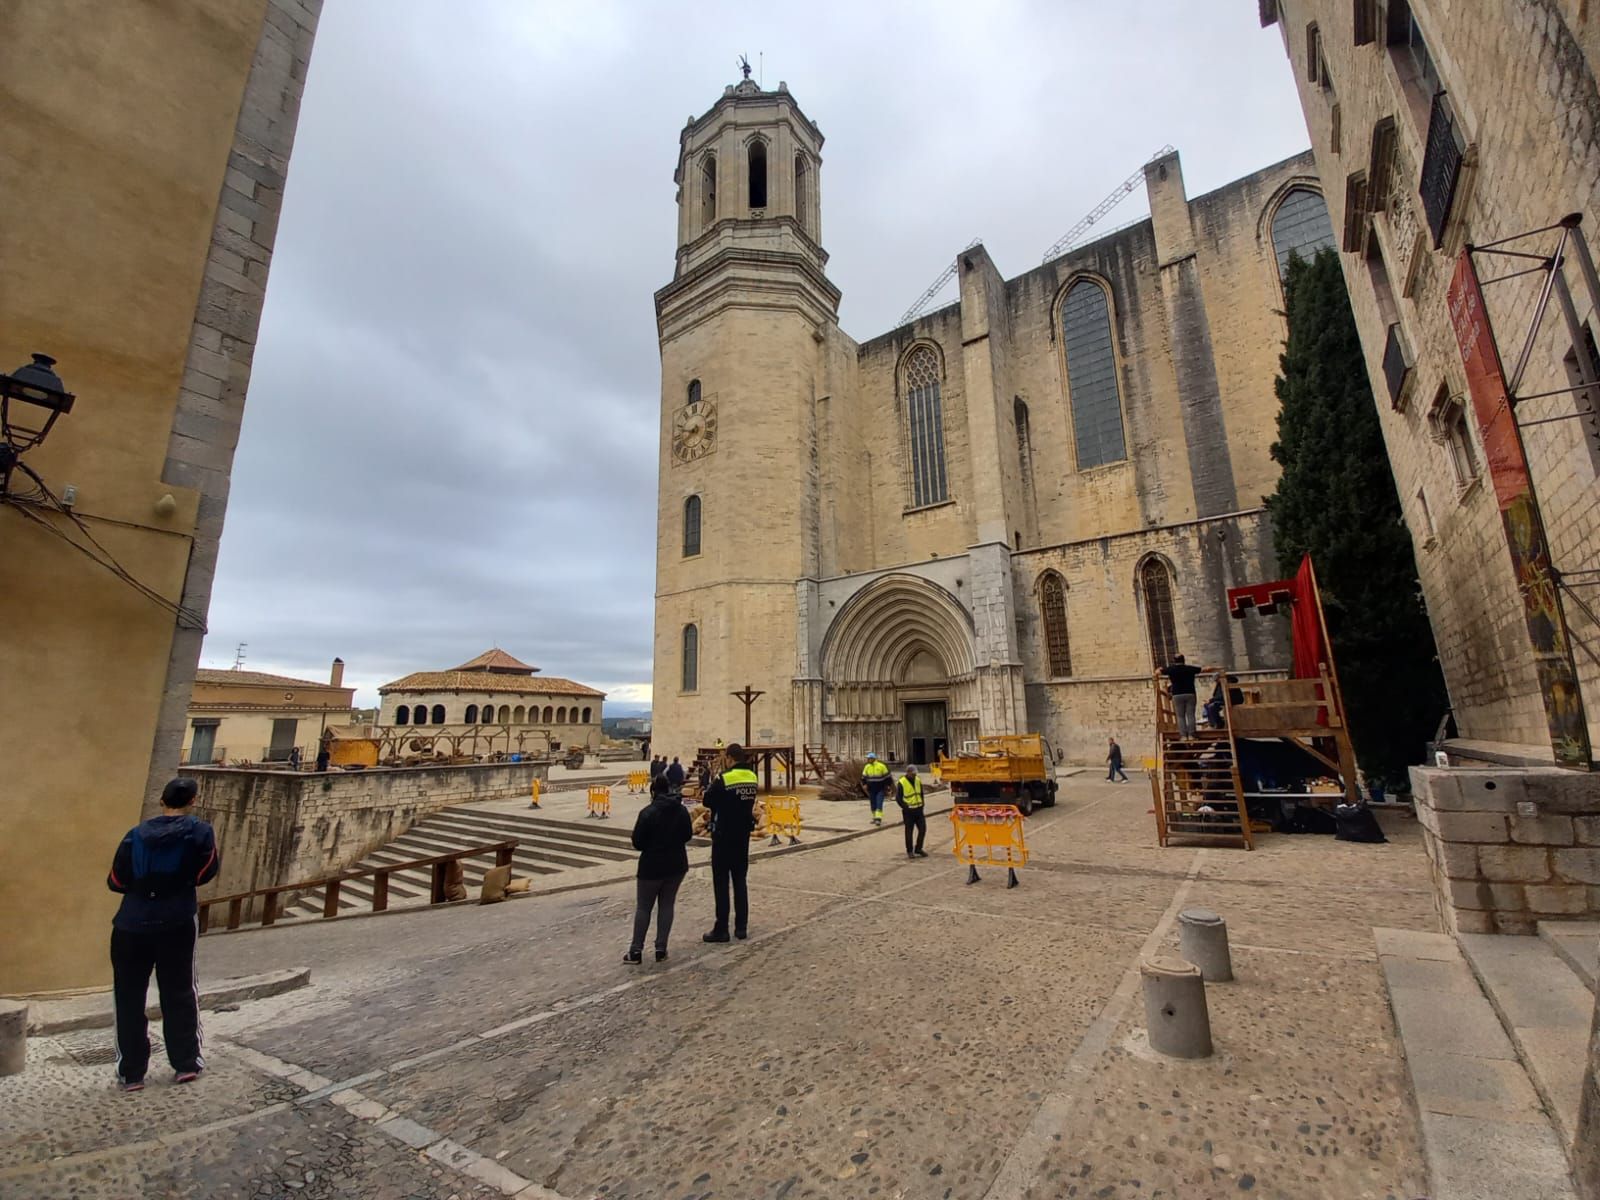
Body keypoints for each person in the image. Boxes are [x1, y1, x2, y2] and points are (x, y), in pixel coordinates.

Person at [106, 777, 221, 1092]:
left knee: (128, 997)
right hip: (176, 920)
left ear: (162, 801)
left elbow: (116, 880)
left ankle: (131, 1073)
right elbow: (206, 871)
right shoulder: (200, 832)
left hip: (131, 922)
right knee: (180, 991)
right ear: (193, 801)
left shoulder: (135, 834)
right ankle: (185, 1063)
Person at [625, 775, 694, 964]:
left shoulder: (647, 812)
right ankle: (661, 949)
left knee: (644, 908)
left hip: (651, 867)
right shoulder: (681, 810)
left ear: (653, 791)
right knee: (667, 905)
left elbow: (637, 842)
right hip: (676, 865)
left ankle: (636, 950)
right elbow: (688, 834)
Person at [702, 742, 759, 943]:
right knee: (740, 881)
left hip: (724, 835)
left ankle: (722, 928)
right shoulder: (753, 777)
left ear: (729, 758)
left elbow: (707, 800)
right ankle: (741, 927)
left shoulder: (724, 778)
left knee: (721, 883)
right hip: (743, 836)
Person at [1160, 654, 1209, 738]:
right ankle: (1191, 735)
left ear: (1174, 661)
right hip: (1190, 693)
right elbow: (1205, 669)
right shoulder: (1189, 668)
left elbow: (1158, 672)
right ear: (1184, 660)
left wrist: (1159, 669)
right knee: (1190, 715)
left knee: (1180, 716)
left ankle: (1183, 736)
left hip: (1177, 694)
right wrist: (1216, 668)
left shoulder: (1171, 669)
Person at [896, 764, 927, 859]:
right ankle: (909, 850)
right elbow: (898, 798)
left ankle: (918, 848)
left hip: (918, 809)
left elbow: (921, 793)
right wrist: (905, 807)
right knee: (909, 831)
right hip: (908, 811)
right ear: (908, 772)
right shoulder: (902, 782)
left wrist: (922, 804)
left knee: (922, 829)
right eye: (913, 774)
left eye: (915, 774)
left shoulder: (917, 780)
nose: (914, 775)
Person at [860, 752, 891, 826]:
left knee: (879, 803)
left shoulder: (881, 766)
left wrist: (888, 786)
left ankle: (878, 819)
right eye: (868, 758)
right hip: (871, 789)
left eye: (870, 758)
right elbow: (863, 777)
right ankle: (874, 817)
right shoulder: (867, 767)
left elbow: (888, 777)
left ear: (873, 759)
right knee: (873, 804)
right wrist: (864, 784)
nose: (868, 760)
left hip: (880, 788)